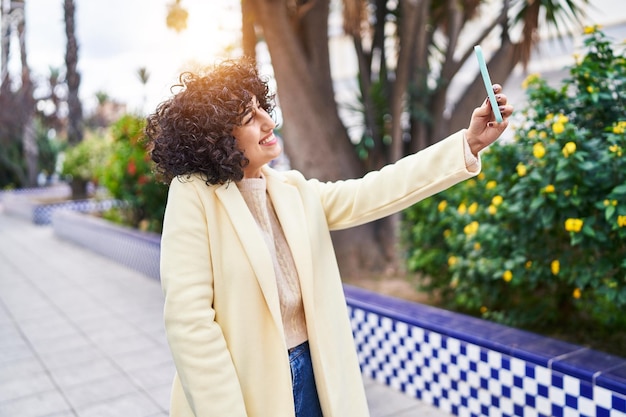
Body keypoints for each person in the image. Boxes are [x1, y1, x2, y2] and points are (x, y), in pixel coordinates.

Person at [145, 57, 513, 417]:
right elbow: (189, 322)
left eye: (262, 108)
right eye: (248, 118)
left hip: (317, 376)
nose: (268, 122)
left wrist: (469, 143)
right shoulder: (193, 194)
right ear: (217, 139)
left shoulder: (292, 190)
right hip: (246, 391)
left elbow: (376, 191)